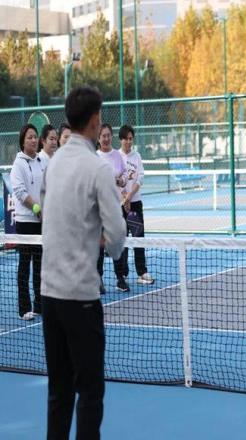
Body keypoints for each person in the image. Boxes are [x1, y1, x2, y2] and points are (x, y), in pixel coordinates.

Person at [40, 86, 126, 440]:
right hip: (81, 299)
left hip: (50, 296)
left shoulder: (54, 163)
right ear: (94, 120)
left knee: (59, 392)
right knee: (90, 392)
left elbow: (50, 216)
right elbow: (117, 233)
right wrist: (107, 244)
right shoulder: (97, 168)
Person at [10, 123, 45, 320]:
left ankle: (40, 304)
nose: (33, 140)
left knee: (40, 265)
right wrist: (37, 209)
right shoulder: (18, 165)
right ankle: (24, 308)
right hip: (25, 221)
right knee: (25, 264)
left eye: (35, 136)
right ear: (23, 141)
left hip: (41, 222)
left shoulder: (41, 161)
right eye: (29, 137)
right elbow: (20, 192)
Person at [118, 124, 154, 285]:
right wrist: (124, 199)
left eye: (131, 139)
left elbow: (140, 178)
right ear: (120, 140)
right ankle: (123, 273)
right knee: (123, 240)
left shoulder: (137, 156)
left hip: (136, 203)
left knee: (139, 238)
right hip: (120, 205)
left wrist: (130, 197)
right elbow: (114, 180)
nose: (128, 141)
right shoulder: (115, 157)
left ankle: (142, 272)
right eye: (126, 139)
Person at [96, 123, 129, 293]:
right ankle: (98, 279)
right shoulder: (94, 157)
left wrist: (121, 181)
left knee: (117, 243)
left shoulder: (117, 155)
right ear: (98, 138)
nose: (106, 138)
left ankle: (120, 278)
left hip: (116, 207)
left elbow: (125, 176)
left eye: (109, 135)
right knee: (99, 246)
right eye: (103, 136)